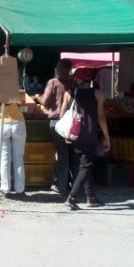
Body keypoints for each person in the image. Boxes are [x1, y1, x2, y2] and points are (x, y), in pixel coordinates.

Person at [59, 68, 110, 210]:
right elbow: (101, 117)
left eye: (76, 78)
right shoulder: (98, 94)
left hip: (75, 135)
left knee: (84, 165)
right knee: (85, 166)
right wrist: (106, 136)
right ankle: (71, 198)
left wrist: (65, 133)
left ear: (79, 80)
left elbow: (63, 114)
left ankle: (90, 197)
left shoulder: (70, 93)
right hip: (89, 134)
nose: (74, 80)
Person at [33, 59, 75, 194]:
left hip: (57, 121)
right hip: (73, 121)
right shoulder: (73, 83)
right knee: (72, 153)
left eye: (57, 67)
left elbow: (45, 102)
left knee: (62, 154)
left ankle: (61, 185)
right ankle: (74, 184)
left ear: (59, 69)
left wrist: (37, 97)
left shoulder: (53, 82)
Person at [0, 94, 26, 196]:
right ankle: (20, 189)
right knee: (18, 158)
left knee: (4, 157)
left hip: (2, 124)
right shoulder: (12, 88)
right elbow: (22, 102)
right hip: (18, 123)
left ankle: (5, 188)